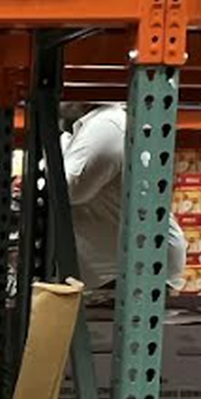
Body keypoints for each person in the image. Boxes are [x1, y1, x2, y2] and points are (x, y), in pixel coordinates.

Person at [60, 102, 187, 290]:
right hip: (113, 272)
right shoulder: (81, 128)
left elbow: (69, 191)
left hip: (130, 274)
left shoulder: (107, 125)